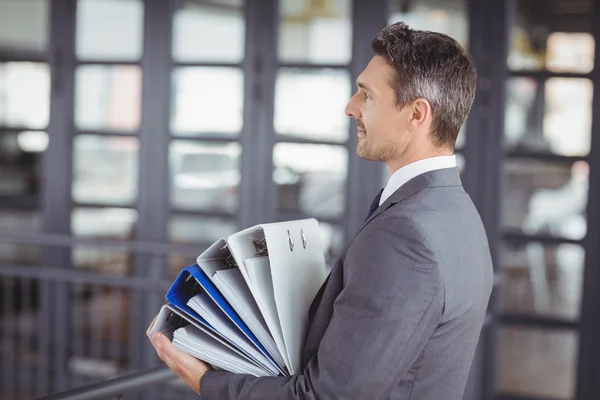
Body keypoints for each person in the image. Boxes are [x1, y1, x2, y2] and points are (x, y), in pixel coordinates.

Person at [147, 21, 493, 400]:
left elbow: (325, 397)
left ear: (416, 114)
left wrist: (201, 378)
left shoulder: (405, 235)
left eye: (367, 95)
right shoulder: (457, 211)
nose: (350, 107)